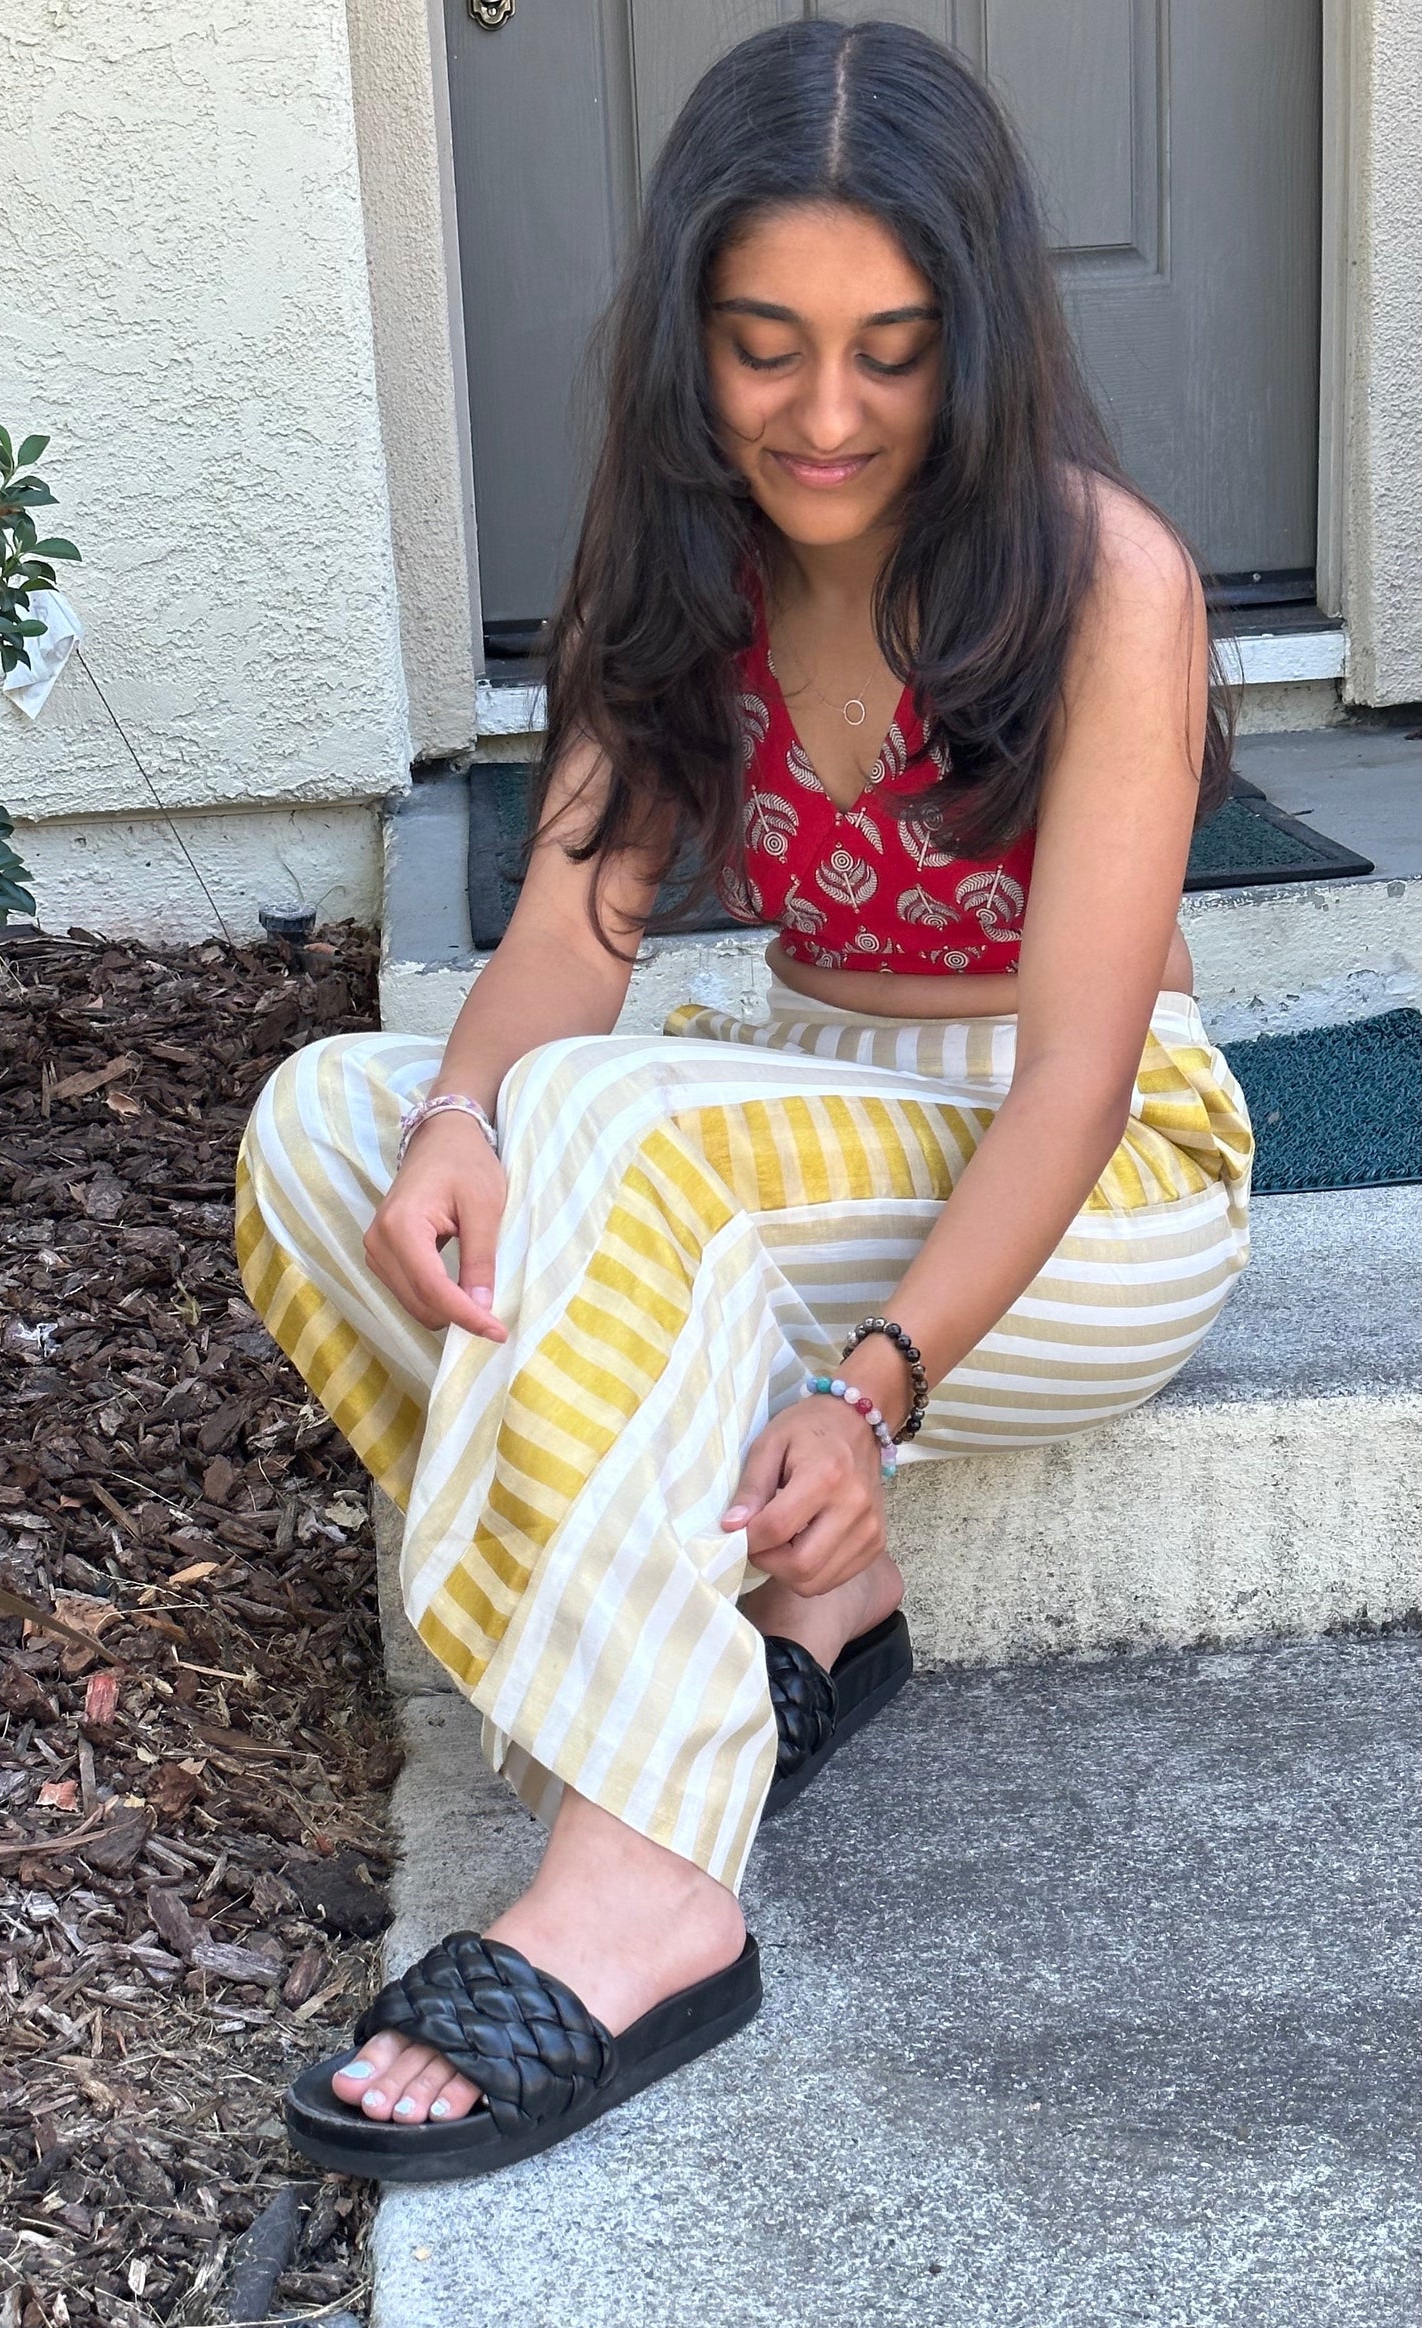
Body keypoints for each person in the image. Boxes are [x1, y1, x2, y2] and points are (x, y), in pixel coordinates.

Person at [237, 17, 1253, 2182]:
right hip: (806, 1116)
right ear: (691, 337)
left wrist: (875, 1389)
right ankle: (763, 1650)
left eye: (891, 351)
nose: (823, 414)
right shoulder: (684, 553)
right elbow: (566, 949)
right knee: (334, 1115)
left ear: (972, 336)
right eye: (764, 345)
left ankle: (646, 1881)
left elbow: (1076, 1075)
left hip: (1090, 1179)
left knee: (603, 1130)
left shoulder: (1110, 584)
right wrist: (457, 1116)